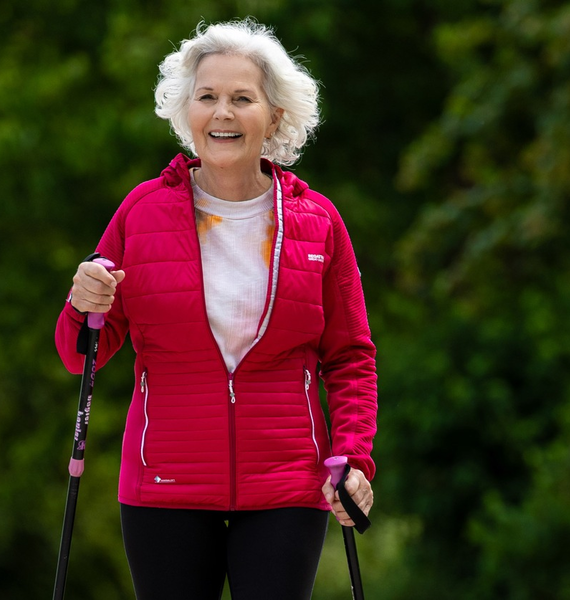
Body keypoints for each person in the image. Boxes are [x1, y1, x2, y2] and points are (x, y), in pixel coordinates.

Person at [55, 19, 377, 600]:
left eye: (241, 98)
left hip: (285, 481)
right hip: (164, 482)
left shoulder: (318, 222)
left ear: (274, 116)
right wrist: (83, 304)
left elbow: (350, 356)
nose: (222, 113)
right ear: (187, 111)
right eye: (207, 97)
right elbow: (84, 354)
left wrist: (352, 458)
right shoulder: (141, 212)